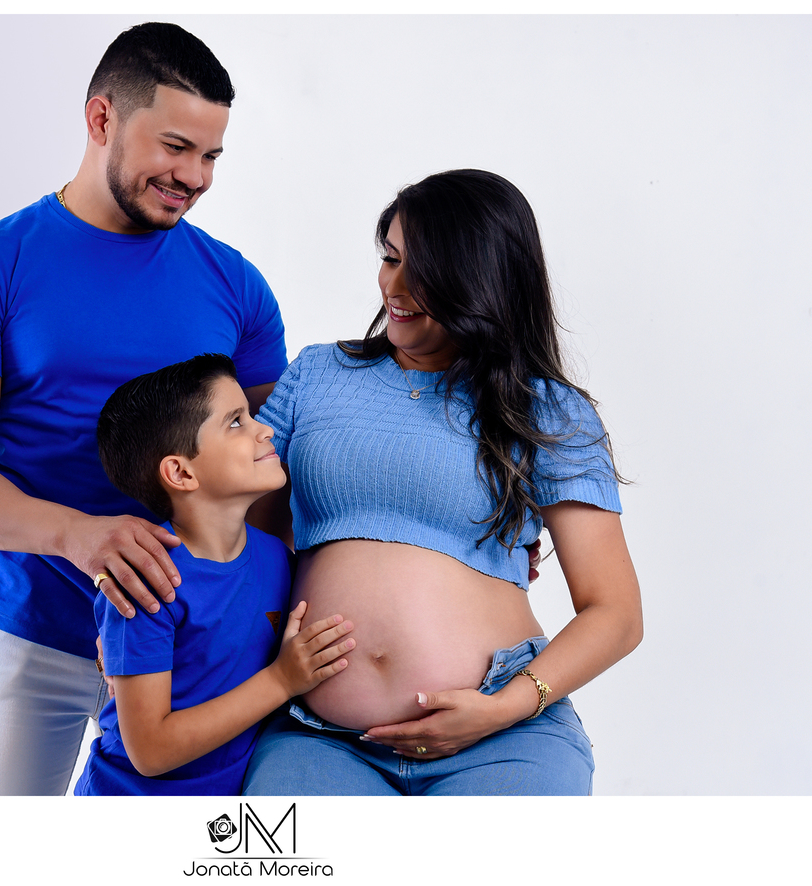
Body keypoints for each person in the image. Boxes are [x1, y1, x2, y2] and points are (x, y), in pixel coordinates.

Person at [0, 23, 289, 795]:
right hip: (32, 629)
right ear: (102, 118)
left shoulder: (236, 286)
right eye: (175, 147)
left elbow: (270, 469)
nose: (194, 177)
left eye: (211, 156)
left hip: (197, 642)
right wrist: (77, 535)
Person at [241, 169, 643, 796]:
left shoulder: (546, 409)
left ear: (482, 281)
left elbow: (615, 613)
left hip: (503, 733)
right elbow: (242, 545)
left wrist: (505, 707)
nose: (394, 288)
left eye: (423, 272)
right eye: (390, 259)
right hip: (319, 733)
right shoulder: (317, 375)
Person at [74, 354, 353, 794]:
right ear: (181, 472)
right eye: (236, 422)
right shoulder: (146, 582)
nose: (266, 430)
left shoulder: (276, 559)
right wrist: (281, 680)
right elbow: (150, 751)